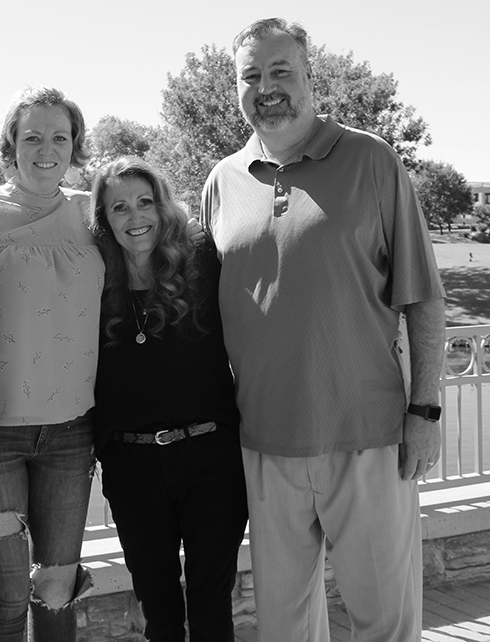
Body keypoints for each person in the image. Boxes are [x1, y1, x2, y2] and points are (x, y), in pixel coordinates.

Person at [200, 18, 446, 642]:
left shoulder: (372, 160)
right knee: (283, 631)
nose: (266, 87)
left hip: (367, 439)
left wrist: (426, 411)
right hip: (263, 443)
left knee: (384, 625)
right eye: (250, 76)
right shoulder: (221, 183)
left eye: (281, 71)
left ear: (311, 76)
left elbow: (423, 299)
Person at [0, 86, 101, 641]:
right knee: (6, 598)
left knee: (56, 592)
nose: (46, 148)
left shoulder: (94, 213)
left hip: (72, 436)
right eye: (32, 136)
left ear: (76, 145)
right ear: (10, 144)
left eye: (60, 137)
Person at [91, 157, 248, 642]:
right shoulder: (91, 279)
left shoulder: (203, 261)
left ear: (162, 208)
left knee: (210, 611)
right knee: (158, 613)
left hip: (211, 461)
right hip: (132, 466)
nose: (135, 217)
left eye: (145, 202)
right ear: (104, 219)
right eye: (119, 207)